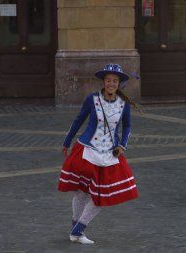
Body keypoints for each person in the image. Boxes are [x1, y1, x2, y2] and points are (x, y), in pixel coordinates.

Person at [58, 63, 140, 244]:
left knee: (102, 196)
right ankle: (75, 232)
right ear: (103, 82)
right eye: (108, 80)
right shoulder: (92, 99)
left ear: (119, 84)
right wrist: (66, 141)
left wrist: (123, 145)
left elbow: (127, 126)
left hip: (110, 155)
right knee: (82, 192)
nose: (111, 83)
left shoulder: (123, 104)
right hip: (87, 150)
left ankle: (78, 229)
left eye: (115, 81)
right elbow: (78, 120)